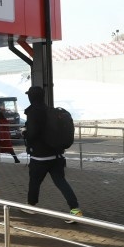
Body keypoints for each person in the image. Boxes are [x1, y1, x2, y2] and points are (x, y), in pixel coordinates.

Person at [22, 86, 82, 222]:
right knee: (61, 182)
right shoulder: (51, 111)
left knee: (35, 182)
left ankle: (31, 206)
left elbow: (33, 134)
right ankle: (75, 210)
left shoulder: (33, 112)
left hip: (40, 157)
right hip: (57, 155)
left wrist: (25, 133)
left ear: (31, 97)